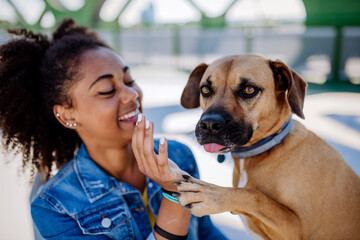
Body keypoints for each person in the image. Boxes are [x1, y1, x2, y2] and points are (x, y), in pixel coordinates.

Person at [0, 19, 227, 240]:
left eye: (129, 80)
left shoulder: (179, 156)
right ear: (67, 113)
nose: (132, 94)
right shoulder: (55, 207)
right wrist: (173, 193)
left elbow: (207, 233)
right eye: (107, 90)